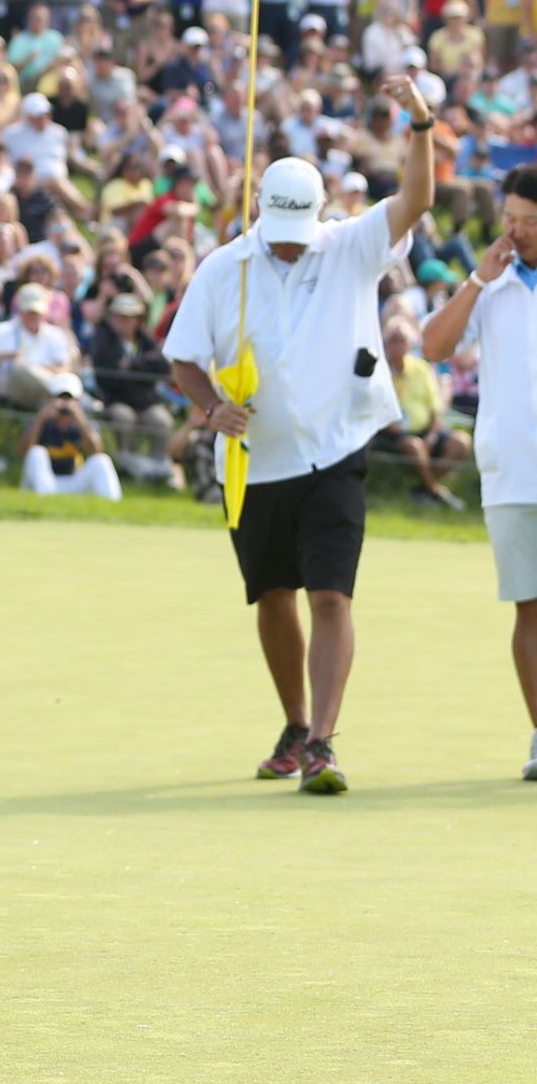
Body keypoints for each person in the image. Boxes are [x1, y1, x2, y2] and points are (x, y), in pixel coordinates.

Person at [164, 75, 442, 796]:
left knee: (330, 597)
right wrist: (210, 406)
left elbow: (416, 200)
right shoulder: (225, 267)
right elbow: (182, 356)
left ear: (320, 215)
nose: (289, 249)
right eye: (278, 237)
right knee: (274, 595)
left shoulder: (349, 246)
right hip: (252, 463)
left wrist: (419, 125)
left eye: (299, 236)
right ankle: (293, 724)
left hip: (336, 450)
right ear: (261, 215)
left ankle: (322, 740)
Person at [421, 167, 537, 778]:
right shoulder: (489, 284)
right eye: (510, 217)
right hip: (513, 471)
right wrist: (474, 280)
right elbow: (433, 347)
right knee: (530, 608)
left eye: (529, 221)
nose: (515, 231)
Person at [373, 316, 469, 509]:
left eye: (403, 340)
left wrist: (432, 436)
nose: (398, 345)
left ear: (411, 344)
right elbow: (376, 409)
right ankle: (436, 491)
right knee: (414, 446)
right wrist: (396, 430)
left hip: (426, 430)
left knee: (461, 442)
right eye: (393, 339)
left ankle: (423, 490)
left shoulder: (421, 369)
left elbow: (436, 408)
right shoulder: (379, 369)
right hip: (393, 434)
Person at [85, 291, 174, 480]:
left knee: (162, 420)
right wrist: (141, 373)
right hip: (116, 399)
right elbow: (108, 377)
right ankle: (125, 466)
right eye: (118, 316)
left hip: (145, 402)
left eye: (128, 317)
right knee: (124, 417)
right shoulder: (103, 340)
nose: (122, 321)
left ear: (137, 320)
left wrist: (132, 366)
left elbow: (163, 365)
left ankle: (158, 468)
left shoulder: (145, 340)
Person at [0, 283, 81, 410]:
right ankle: (67, 399)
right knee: (20, 369)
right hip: (11, 386)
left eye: (36, 312)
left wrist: (41, 368)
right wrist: (5, 356)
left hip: (44, 390)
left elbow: (65, 368)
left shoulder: (55, 334)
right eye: (28, 311)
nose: (32, 316)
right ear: (20, 309)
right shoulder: (3, 330)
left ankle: (60, 402)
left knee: (55, 391)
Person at [18, 380, 124, 501]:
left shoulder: (84, 424)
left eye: (69, 398)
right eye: (60, 397)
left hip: (72, 482)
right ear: (50, 399)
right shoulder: (40, 421)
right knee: (37, 452)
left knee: (102, 460)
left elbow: (96, 451)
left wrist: (79, 419)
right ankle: (45, 502)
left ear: (78, 401)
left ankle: (113, 508)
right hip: (45, 484)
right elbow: (23, 454)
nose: (64, 403)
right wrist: (40, 420)